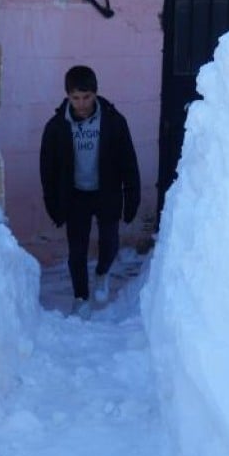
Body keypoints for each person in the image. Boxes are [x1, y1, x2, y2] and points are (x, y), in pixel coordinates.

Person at [39, 65, 140, 316]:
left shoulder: (114, 122)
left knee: (110, 243)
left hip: (106, 192)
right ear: (67, 96)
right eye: (75, 98)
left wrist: (132, 198)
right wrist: (53, 204)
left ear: (95, 94)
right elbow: (47, 169)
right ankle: (81, 297)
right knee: (77, 250)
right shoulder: (56, 126)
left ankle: (102, 273)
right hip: (75, 196)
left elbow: (129, 161)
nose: (81, 104)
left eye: (86, 97)